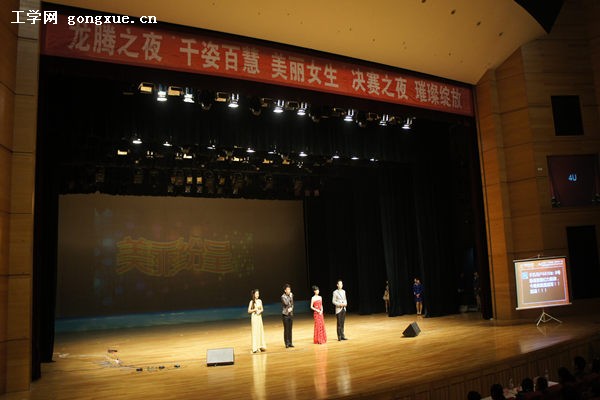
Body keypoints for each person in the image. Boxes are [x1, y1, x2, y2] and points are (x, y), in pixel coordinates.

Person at [248, 289, 266, 353]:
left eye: (258, 294)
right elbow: (249, 311)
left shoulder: (260, 301)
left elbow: (262, 309)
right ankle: (255, 347)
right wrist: (254, 310)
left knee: (260, 331)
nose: (258, 295)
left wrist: (260, 311)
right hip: (254, 317)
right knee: (255, 332)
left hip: (259, 317)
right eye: (256, 294)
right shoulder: (251, 302)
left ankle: (260, 346)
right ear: (254, 294)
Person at [281, 283, 294, 348]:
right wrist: (290, 297)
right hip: (285, 314)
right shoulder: (283, 297)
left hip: (290, 314)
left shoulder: (291, 295)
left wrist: (292, 308)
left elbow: (292, 303)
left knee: (290, 329)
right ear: (285, 290)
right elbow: (286, 303)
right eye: (288, 289)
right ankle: (286, 343)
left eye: (289, 289)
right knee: (286, 329)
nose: (289, 290)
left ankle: (290, 343)